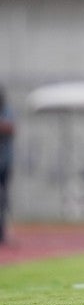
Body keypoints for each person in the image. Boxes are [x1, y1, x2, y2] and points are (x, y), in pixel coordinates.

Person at [0, 86, 15, 244]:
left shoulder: (8, 110)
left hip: (5, 163)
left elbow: (10, 128)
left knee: (4, 199)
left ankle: (3, 231)